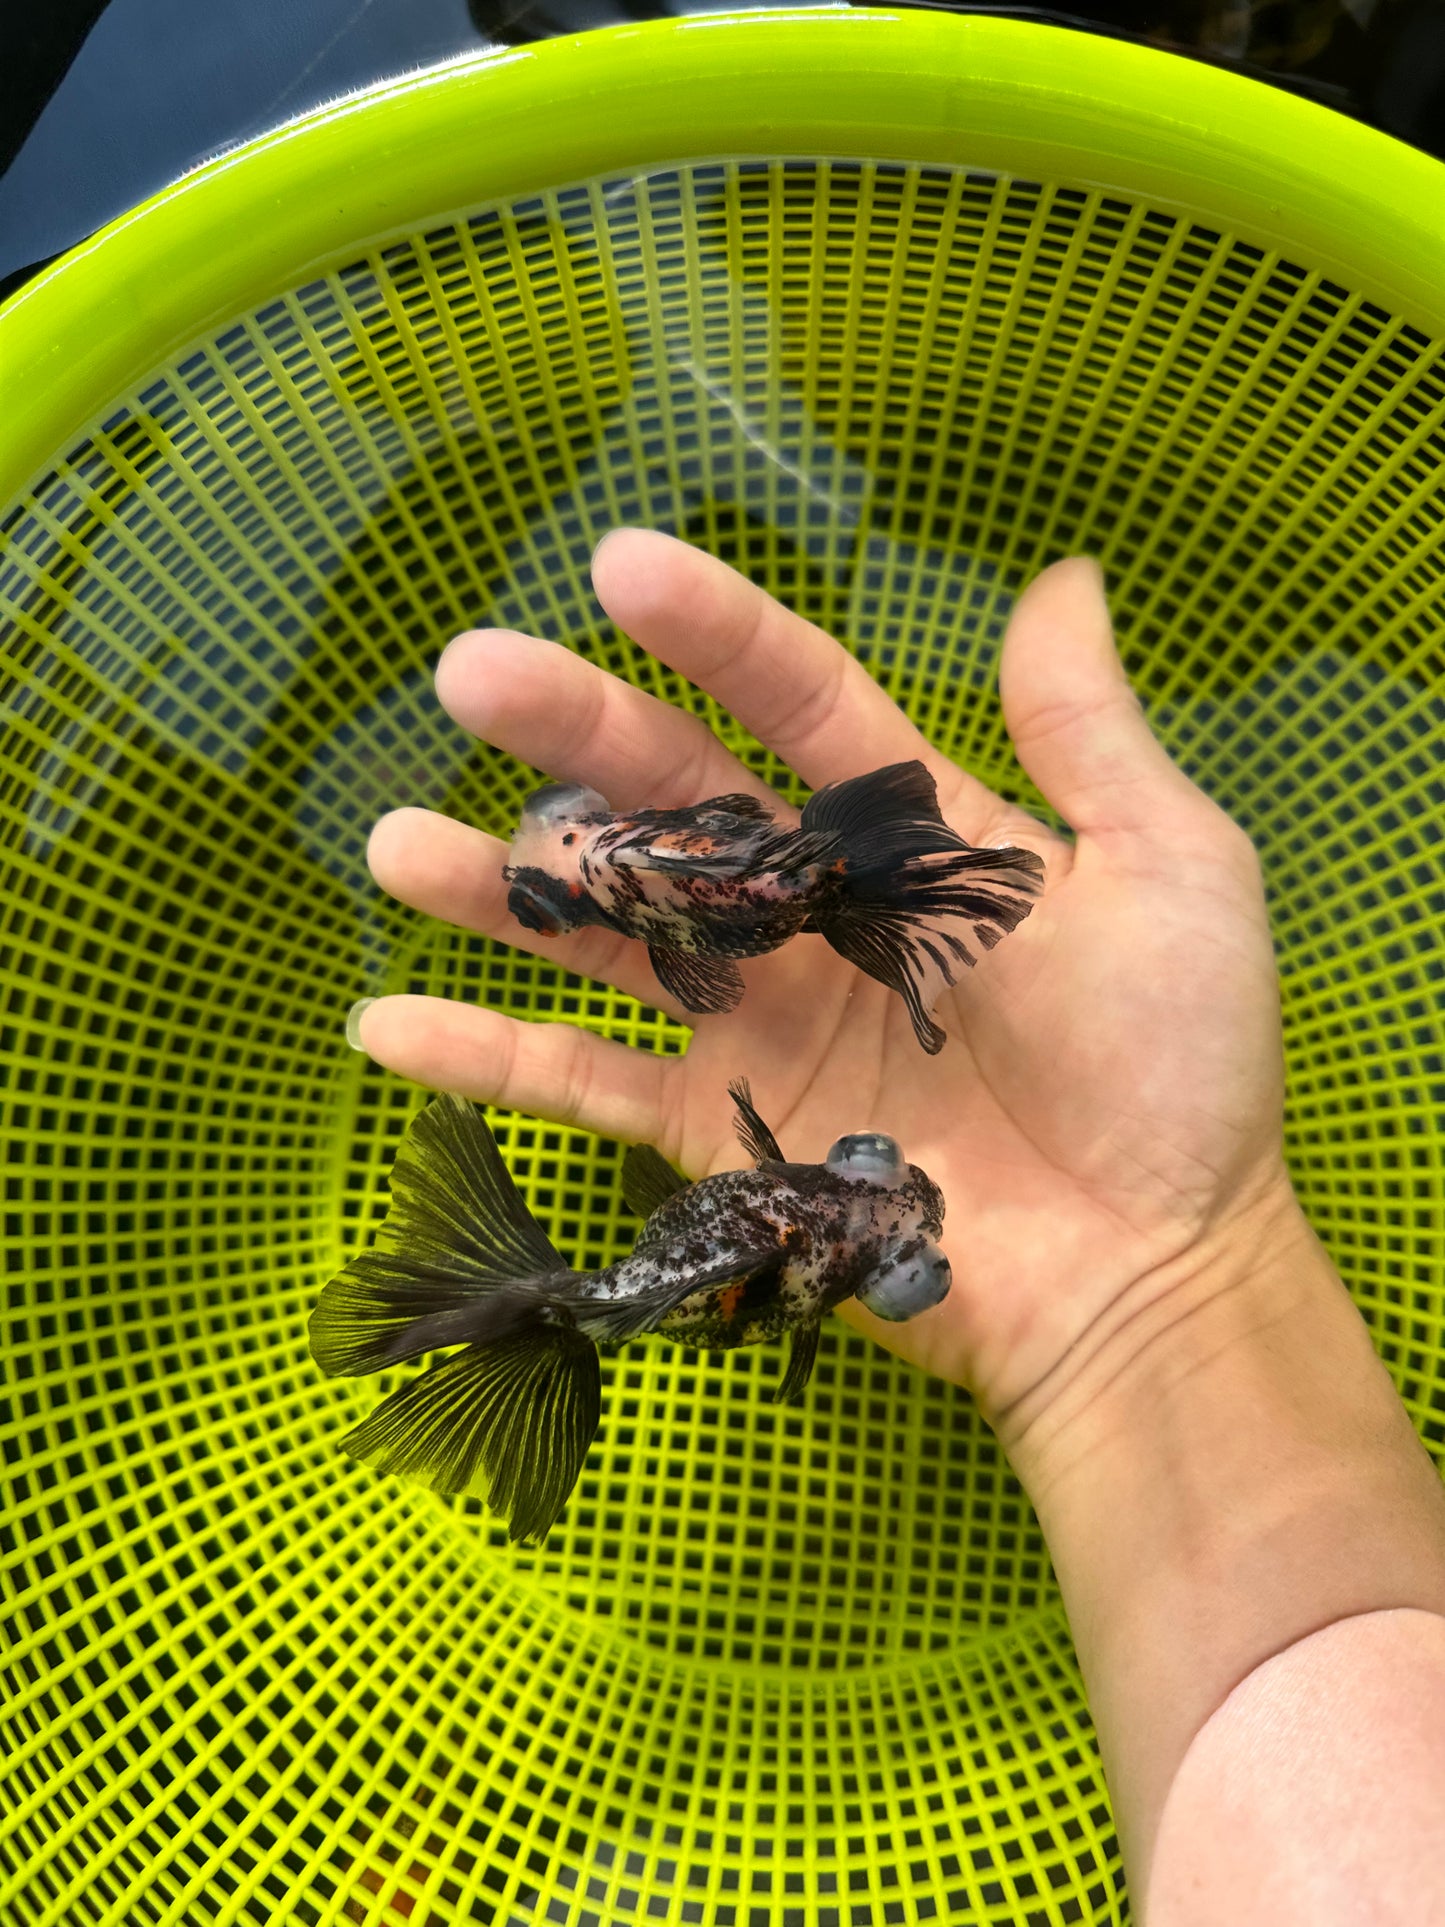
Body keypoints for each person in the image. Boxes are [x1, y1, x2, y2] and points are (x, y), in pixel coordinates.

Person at [347, 529, 1445, 1920]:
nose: (906, 1215)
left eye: (901, 1243)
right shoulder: (783, 1173)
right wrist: (1193, 1279)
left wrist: (1179, 1275)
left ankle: (522, 1306)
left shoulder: (781, 1162)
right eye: (898, 1224)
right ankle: (527, 1305)